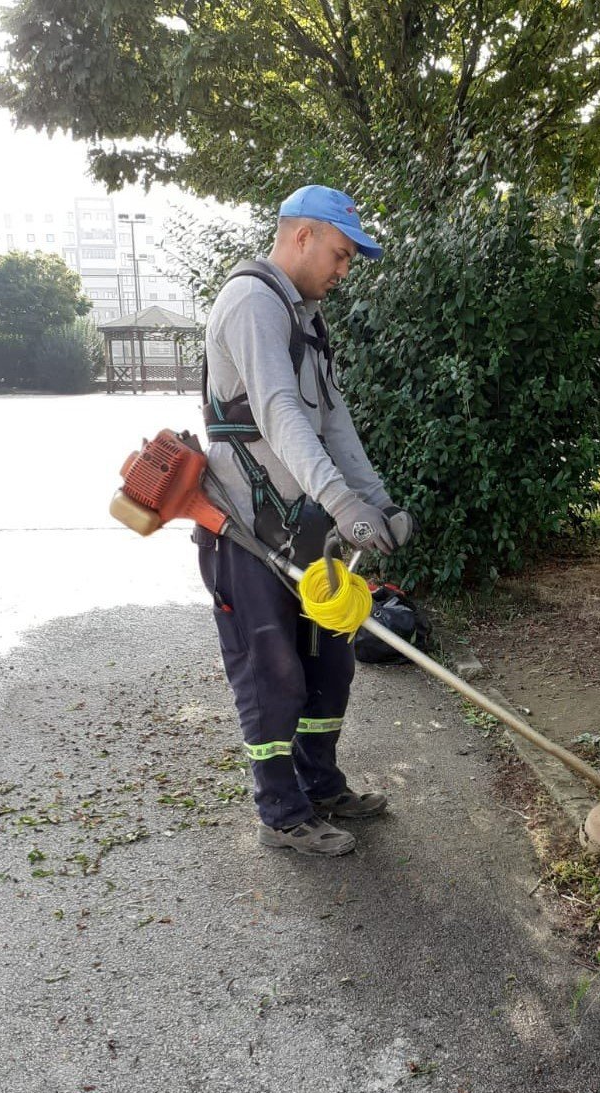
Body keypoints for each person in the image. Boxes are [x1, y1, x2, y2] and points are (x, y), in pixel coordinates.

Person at [197, 184, 413, 857]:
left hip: (303, 533)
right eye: (340, 254)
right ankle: (282, 812)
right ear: (300, 236)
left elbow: (334, 419)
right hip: (245, 532)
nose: (344, 271)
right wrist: (342, 501)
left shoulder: (306, 316)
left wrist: (374, 501)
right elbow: (279, 414)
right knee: (273, 674)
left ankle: (320, 786)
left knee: (330, 665)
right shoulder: (253, 304)